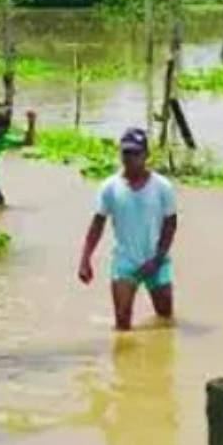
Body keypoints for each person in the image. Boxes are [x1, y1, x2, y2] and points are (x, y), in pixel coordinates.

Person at [78, 128, 178, 331]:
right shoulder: (109, 187)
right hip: (125, 261)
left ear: (146, 155)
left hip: (156, 259)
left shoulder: (162, 187)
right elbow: (97, 224)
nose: (130, 158)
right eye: (126, 152)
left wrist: (157, 259)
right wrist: (85, 259)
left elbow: (171, 224)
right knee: (122, 321)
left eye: (135, 153)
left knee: (165, 319)